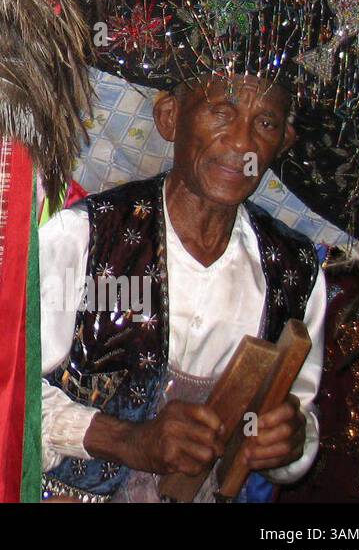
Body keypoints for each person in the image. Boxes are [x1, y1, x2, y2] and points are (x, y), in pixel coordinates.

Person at [39, 75, 325, 501]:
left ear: (284, 141)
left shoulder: (295, 272)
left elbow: (299, 409)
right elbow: (2, 393)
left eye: (265, 123)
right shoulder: (86, 237)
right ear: (170, 118)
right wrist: (128, 440)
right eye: (222, 112)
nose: (241, 142)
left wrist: (290, 440)